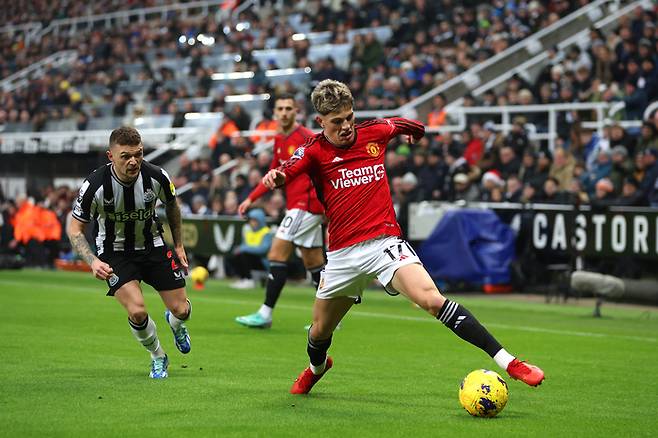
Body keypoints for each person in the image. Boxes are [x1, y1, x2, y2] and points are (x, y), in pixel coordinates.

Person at [261, 80, 545, 394]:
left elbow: (407, 124)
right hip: (342, 254)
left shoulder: (375, 132)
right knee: (318, 333)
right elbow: (290, 167)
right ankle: (316, 368)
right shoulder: (314, 150)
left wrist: (416, 132)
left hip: (385, 243)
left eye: (349, 117)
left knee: (432, 300)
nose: (346, 127)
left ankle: (510, 362)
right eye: (337, 121)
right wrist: (279, 176)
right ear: (321, 122)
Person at [67, 126, 192, 379]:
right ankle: (158, 356)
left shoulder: (157, 176)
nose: (133, 161)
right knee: (137, 311)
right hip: (115, 253)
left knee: (183, 311)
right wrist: (92, 261)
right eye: (125, 156)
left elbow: (172, 206)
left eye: (139, 154)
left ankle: (175, 322)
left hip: (153, 247)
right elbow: (75, 228)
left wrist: (178, 244)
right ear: (110, 156)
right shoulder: (94, 185)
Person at [236, 94, 326, 328]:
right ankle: (329, 318)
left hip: (305, 206)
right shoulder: (280, 139)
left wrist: (327, 204)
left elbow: (325, 168)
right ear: (274, 113)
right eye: (280, 109)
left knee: (276, 254)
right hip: (299, 206)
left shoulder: (307, 137)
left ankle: (265, 314)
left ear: (296, 111)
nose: (284, 112)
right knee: (313, 261)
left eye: (289, 108)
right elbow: (273, 175)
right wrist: (250, 198)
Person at [227, 208, 273, 289]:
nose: (252, 223)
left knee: (244, 254)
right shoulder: (248, 232)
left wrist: (244, 248)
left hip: (262, 261)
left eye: (255, 220)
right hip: (250, 259)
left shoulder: (266, 232)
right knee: (235, 256)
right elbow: (243, 245)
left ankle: (249, 280)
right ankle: (243, 279)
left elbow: (263, 249)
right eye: (251, 220)